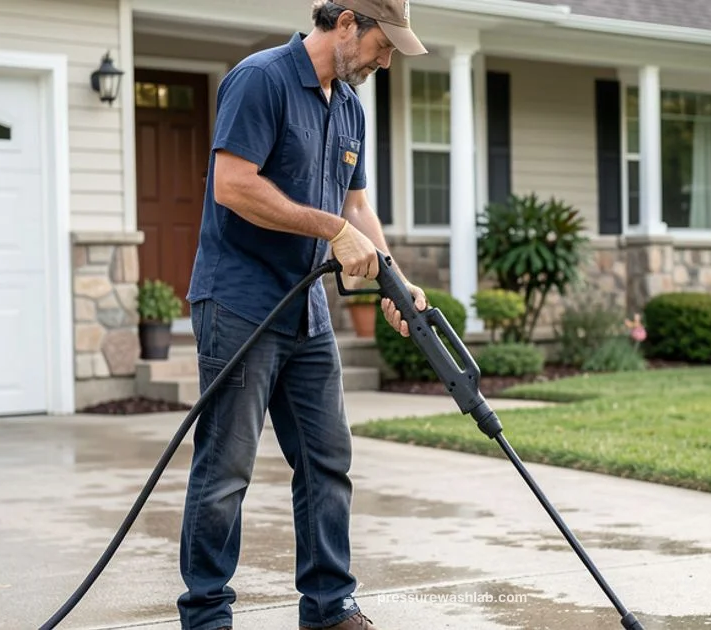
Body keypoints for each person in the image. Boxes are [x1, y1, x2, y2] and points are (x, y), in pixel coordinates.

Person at [179, 1, 429, 629]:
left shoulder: (348, 106)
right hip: (239, 302)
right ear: (347, 22)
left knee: (327, 460)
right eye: (383, 44)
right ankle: (207, 616)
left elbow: (357, 207)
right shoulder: (260, 79)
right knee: (226, 469)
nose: (386, 58)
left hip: (306, 311)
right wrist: (332, 229)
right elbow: (232, 185)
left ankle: (329, 609)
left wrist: (397, 286)